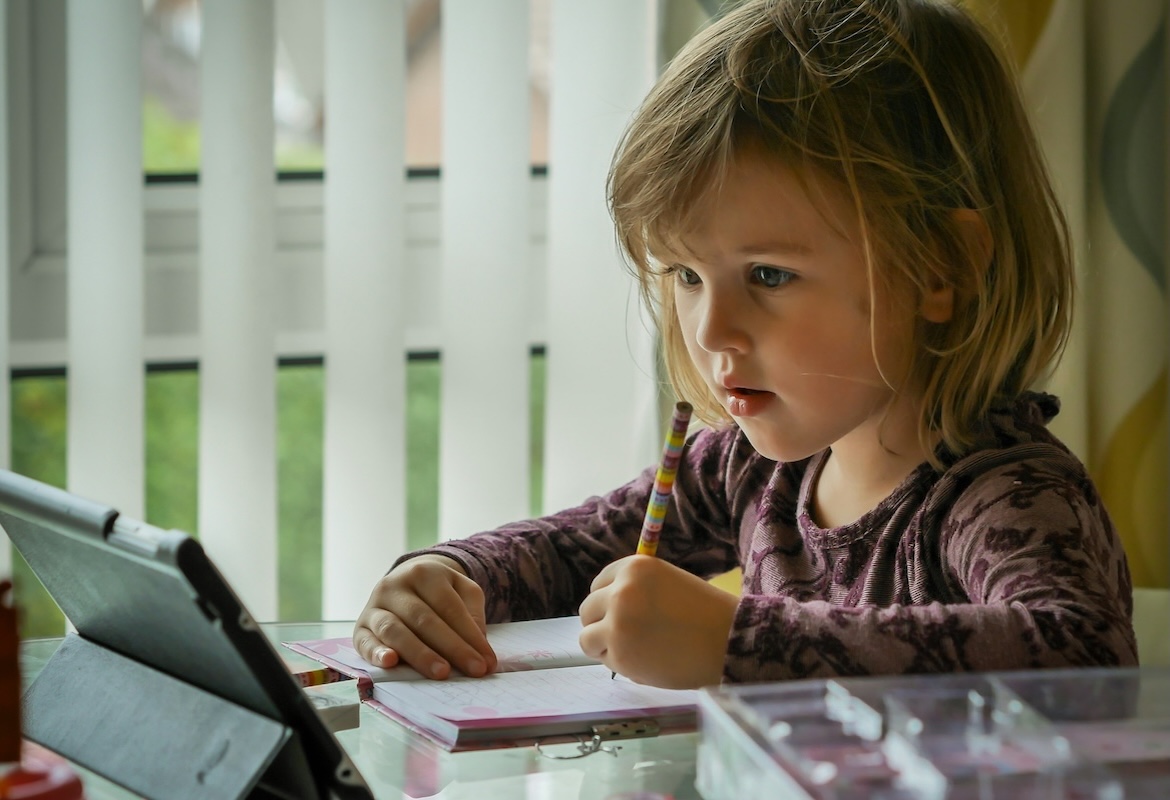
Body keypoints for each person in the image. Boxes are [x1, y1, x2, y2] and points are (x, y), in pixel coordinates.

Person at [353, 0, 1137, 689]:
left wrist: (739, 641)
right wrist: (449, 579)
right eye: (686, 275)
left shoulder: (1005, 495)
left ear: (942, 269)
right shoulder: (750, 467)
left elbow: (1084, 655)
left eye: (768, 273)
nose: (709, 330)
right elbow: (568, 550)